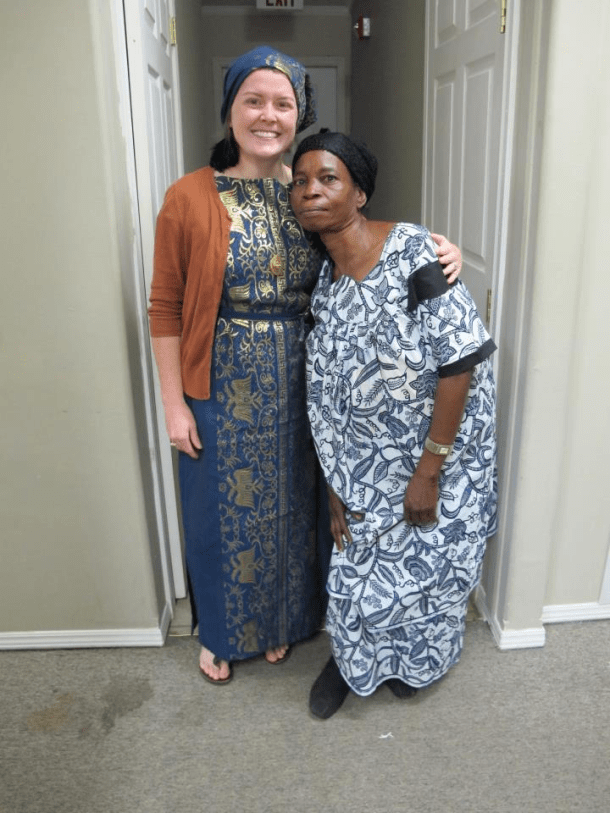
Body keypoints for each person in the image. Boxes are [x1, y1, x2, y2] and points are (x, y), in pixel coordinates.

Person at [149, 47, 463, 686]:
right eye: (253, 101)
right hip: (221, 383)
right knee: (221, 511)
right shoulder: (189, 195)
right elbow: (165, 306)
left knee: (292, 510)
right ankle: (222, 632)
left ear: (299, 116)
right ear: (230, 111)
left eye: (282, 104)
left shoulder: (307, 190)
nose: (268, 116)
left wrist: (436, 249)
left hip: (304, 382)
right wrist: (174, 403)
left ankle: (281, 623)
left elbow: (362, 241)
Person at [289, 131, 497, 718]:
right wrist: (335, 483)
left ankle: (415, 660)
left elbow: (460, 361)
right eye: (300, 182)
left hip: (436, 450)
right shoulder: (325, 284)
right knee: (356, 564)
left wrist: (429, 471)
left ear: (359, 194)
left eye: (328, 178)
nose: (310, 191)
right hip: (364, 462)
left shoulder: (413, 253)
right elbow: (327, 394)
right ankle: (350, 661)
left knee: (429, 565)